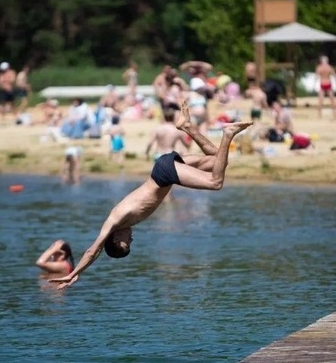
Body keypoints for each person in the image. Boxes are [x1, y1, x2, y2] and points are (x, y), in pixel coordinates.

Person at [49, 100, 253, 289]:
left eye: (126, 242)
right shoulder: (122, 223)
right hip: (162, 168)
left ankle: (228, 133)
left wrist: (75, 273)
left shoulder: (115, 220)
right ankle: (186, 127)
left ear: (115, 238)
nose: (131, 240)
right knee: (218, 160)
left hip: (163, 174)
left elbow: (93, 251)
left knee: (215, 182)